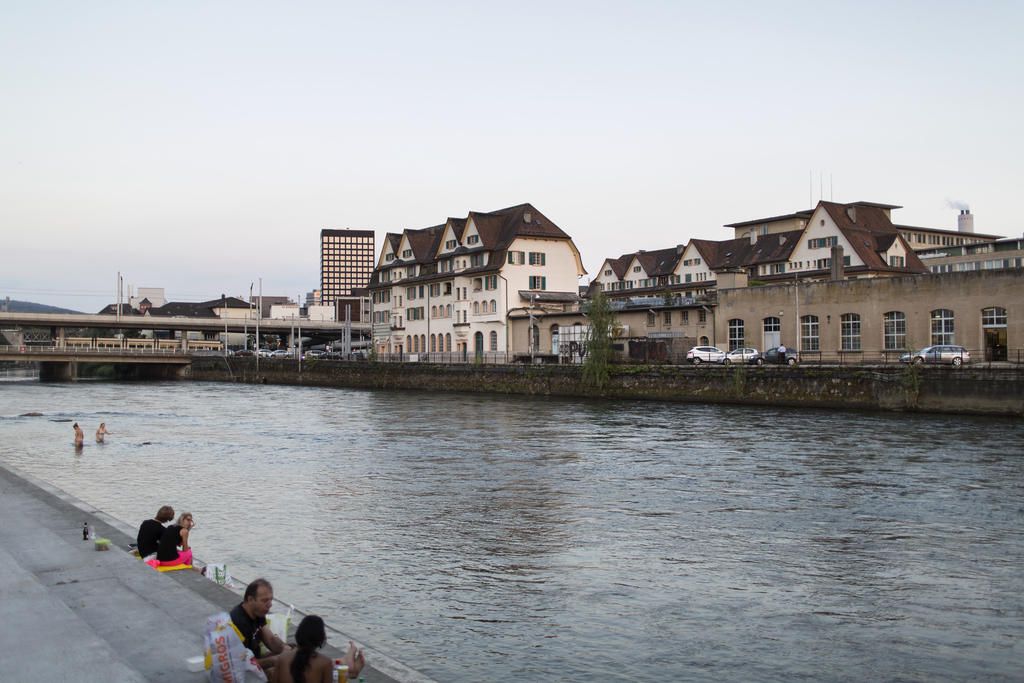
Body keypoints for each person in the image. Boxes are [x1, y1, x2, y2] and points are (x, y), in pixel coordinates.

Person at [275, 616, 364, 683]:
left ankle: (348, 669)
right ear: (320, 638)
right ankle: (348, 671)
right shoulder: (324, 663)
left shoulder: (282, 658)